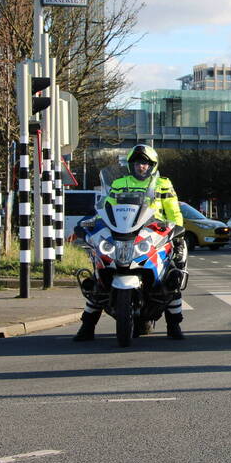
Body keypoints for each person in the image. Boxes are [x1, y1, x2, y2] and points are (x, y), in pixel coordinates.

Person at [73, 144, 187, 342]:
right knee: (99, 275)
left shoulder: (162, 183)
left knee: (172, 275)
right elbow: (106, 206)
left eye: (144, 163)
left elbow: (173, 210)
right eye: (136, 163)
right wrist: (91, 222)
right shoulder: (119, 183)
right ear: (130, 165)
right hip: (122, 230)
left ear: (152, 165)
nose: (140, 166)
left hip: (155, 232)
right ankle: (87, 326)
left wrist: (177, 231)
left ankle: (174, 324)